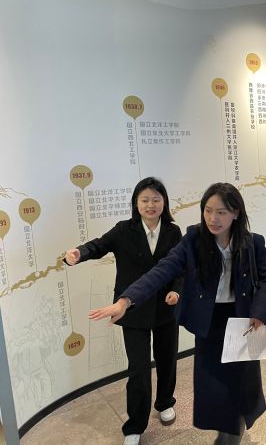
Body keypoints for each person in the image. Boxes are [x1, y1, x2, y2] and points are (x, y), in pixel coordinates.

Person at [89, 182, 266, 445]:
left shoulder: (253, 242)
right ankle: (227, 428)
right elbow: (162, 270)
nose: (213, 218)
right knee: (212, 382)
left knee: (241, 379)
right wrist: (126, 300)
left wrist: (259, 311)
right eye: (208, 210)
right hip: (209, 319)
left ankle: (233, 429)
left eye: (221, 212)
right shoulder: (193, 239)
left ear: (235, 213)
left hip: (243, 319)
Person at [64, 177, 183, 445]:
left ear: (164, 202)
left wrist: (177, 291)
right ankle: (135, 425)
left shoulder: (173, 232)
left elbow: (180, 268)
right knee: (138, 369)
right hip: (131, 309)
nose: (151, 205)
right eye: (145, 200)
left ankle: (165, 402)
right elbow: (98, 245)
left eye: (156, 199)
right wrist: (79, 253)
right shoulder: (123, 230)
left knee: (167, 360)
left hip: (166, 307)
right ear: (136, 203)